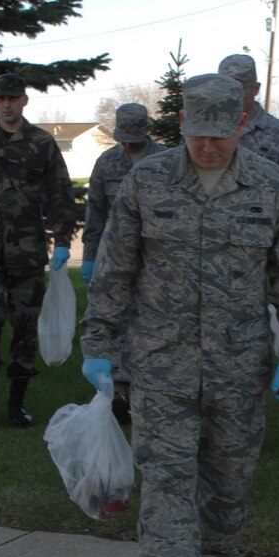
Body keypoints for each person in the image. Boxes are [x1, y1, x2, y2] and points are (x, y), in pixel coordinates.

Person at [80, 73, 279, 557]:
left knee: (229, 483)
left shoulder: (270, 186)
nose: (208, 147)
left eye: (220, 134)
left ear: (242, 124)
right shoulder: (148, 181)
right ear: (182, 125)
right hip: (161, 363)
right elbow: (115, 269)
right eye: (197, 134)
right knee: (165, 480)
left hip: (239, 366)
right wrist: (98, 344)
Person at [0, 71, 75, 428]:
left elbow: (60, 193)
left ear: (24, 101)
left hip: (27, 253)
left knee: (24, 330)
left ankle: (17, 402)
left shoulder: (41, 143)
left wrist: (64, 241)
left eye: (13, 99)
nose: (7, 105)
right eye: (1, 99)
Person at [79, 101, 155, 424]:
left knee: (150, 321)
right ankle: (118, 392)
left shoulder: (167, 160)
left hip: (155, 257)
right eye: (123, 138)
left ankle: (152, 387)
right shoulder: (107, 163)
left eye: (134, 138)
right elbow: (94, 212)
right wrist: (90, 256)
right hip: (114, 257)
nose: (128, 145)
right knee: (113, 320)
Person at [216, 53, 279, 192]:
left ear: (255, 89)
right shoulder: (205, 128)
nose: (231, 97)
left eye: (238, 90)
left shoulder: (278, 133)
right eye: (224, 89)